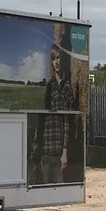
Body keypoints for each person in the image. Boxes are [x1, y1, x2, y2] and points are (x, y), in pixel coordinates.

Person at [36, 44, 76, 183]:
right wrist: (39, 151)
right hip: (46, 150)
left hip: (59, 152)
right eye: (54, 59)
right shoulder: (50, 86)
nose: (57, 62)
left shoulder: (67, 86)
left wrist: (65, 152)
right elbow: (43, 119)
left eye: (59, 58)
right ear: (51, 62)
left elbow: (67, 121)